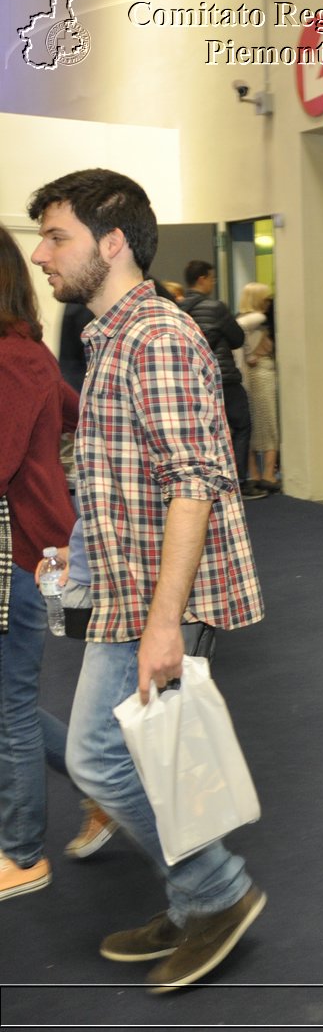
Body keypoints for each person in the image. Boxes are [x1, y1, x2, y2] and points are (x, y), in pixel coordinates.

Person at [27, 168, 267, 991]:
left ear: (113, 241)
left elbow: (195, 482)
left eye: (56, 236)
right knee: (143, 754)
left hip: (160, 592)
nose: (40, 254)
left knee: (98, 754)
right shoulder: (110, 336)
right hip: (124, 579)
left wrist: (164, 621)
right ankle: (199, 894)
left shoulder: (157, 337)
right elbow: (113, 478)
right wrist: (75, 568)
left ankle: (216, 891)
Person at [0, 225, 118, 903]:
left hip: (19, 555)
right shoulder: (27, 354)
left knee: (11, 705)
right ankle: (102, 786)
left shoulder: (12, 358)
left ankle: (22, 853)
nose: (45, 253)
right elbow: (80, 412)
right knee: (10, 701)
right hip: (34, 549)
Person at [180, 261, 264, 501]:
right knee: (241, 425)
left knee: (204, 432)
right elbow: (237, 338)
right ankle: (236, 482)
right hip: (223, 377)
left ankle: (207, 482)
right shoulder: (215, 307)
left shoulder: (177, 308)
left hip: (192, 380)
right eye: (212, 278)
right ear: (203, 279)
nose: (213, 283)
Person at [236, 283, 279, 492]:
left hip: (248, 375)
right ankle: (269, 475)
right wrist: (252, 354)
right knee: (269, 424)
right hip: (262, 372)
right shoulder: (259, 319)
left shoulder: (242, 318)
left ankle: (254, 473)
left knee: (250, 425)